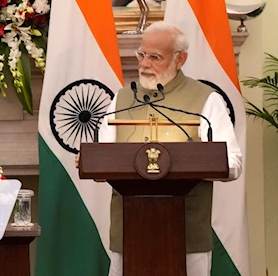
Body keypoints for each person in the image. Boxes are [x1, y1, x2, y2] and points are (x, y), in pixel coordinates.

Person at [76, 22, 242, 276]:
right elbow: (103, 162)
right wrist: (90, 161)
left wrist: (191, 163)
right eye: (141, 54)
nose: (144, 64)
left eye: (155, 57)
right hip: (129, 231)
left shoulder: (207, 99)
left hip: (187, 232)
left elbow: (233, 164)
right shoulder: (121, 100)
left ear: (180, 59)